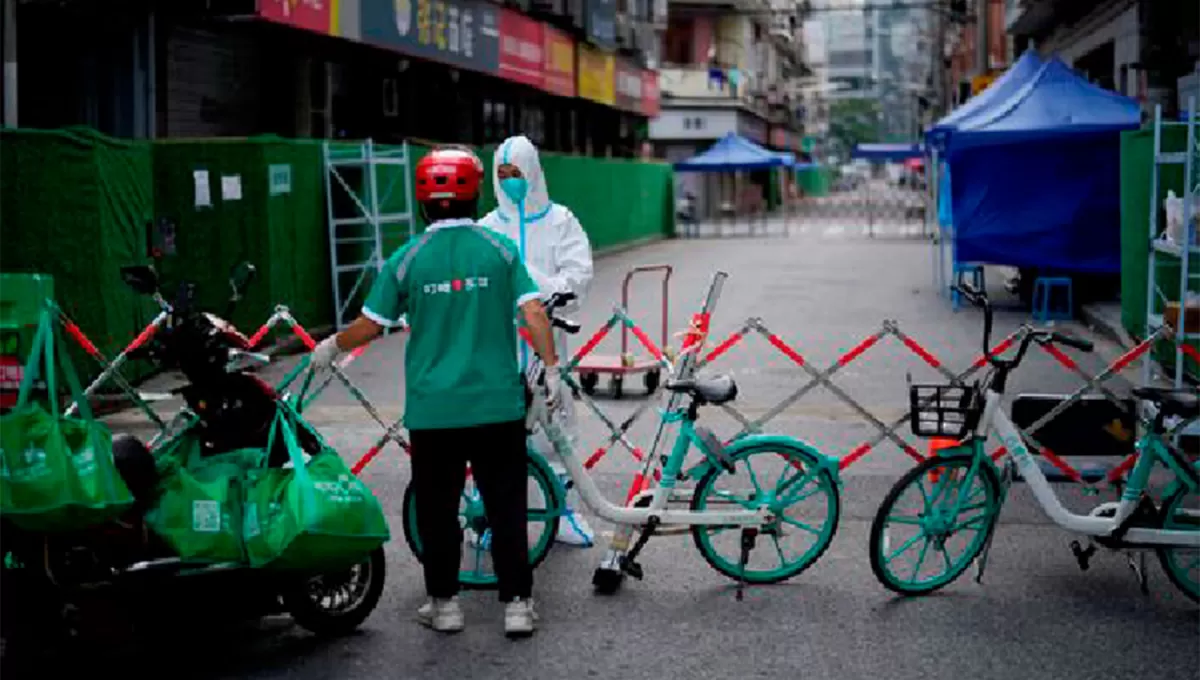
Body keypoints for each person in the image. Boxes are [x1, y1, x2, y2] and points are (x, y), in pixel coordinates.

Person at [310, 146, 559, 638]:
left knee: (438, 511)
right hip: (496, 405)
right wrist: (550, 368)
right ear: (474, 194)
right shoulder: (501, 250)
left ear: (423, 201)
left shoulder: (408, 260)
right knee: (506, 504)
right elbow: (533, 313)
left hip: (434, 411)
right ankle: (517, 605)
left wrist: (330, 346)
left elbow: (369, 326)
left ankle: (444, 606)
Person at [478, 135, 596, 548]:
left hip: (548, 345)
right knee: (495, 433)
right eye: (503, 175)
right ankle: (489, 516)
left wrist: (533, 284)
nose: (511, 182)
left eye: (518, 174)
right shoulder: (488, 228)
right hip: (500, 349)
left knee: (555, 427)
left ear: (534, 174)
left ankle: (562, 511)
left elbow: (578, 279)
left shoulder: (560, 221)